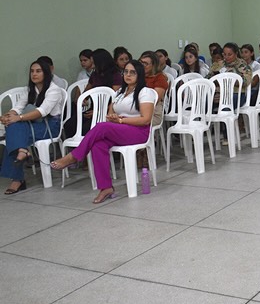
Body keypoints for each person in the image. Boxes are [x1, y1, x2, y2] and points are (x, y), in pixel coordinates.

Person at [52, 59, 156, 204]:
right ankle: (106, 187)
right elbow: (110, 113)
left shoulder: (145, 92)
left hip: (138, 131)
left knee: (101, 126)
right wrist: (113, 117)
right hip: (121, 129)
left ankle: (74, 156)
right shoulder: (120, 91)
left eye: (132, 72)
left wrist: (120, 120)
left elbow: (145, 119)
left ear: (139, 74)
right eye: (125, 72)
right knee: (98, 145)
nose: (128, 75)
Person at [1, 58, 65, 194]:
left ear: (46, 73)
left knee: (14, 130)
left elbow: (42, 111)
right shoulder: (30, 89)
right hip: (32, 124)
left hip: (50, 126)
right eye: (32, 71)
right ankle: (22, 151)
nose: (34, 74)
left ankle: (17, 180)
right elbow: (18, 107)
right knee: (13, 127)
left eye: (38, 71)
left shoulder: (54, 90)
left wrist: (17, 118)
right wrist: (8, 115)